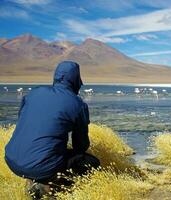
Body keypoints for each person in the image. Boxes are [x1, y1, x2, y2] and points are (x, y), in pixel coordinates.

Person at [5, 61, 100, 199]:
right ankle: (52, 188)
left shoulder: (33, 93)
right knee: (92, 163)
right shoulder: (77, 104)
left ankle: (33, 179)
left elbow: (22, 123)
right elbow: (81, 146)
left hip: (12, 160)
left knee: (44, 155)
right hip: (43, 167)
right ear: (76, 81)